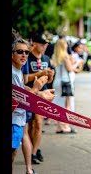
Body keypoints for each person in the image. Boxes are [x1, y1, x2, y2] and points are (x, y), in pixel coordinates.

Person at [12, 38, 56, 174]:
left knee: (13, 153)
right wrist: (36, 89)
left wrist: (41, 93)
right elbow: (18, 98)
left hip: (19, 118)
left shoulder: (18, 70)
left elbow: (21, 88)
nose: (24, 55)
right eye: (20, 52)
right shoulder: (13, 72)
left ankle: (30, 166)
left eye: (26, 52)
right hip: (14, 119)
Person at [25, 32, 55, 164]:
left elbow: (48, 81)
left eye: (46, 44)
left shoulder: (47, 59)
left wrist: (50, 75)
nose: (44, 46)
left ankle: (33, 152)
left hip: (41, 95)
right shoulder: (27, 57)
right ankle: (33, 148)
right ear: (34, 43)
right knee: (30, 125)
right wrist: (40, 73)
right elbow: (24, 79)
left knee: (38, 123)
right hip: (29, 92)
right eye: (42, 43)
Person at [51, 38, 78, 134]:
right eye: (66, 44)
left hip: (57, 81)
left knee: (58, 104)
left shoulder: (55, 56)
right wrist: (77, 64)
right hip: (65, 82)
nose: (67, 45)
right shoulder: (65, 56)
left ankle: (58, 127)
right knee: (67, 105)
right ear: (63, 46)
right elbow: (70, 69)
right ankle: (66, 126)